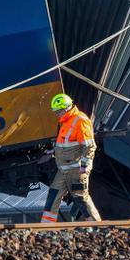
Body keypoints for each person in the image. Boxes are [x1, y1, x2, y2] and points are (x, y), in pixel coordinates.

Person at [40, 93, 101, 223]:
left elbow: (90, 146)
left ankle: (97, 225)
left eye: (58, 111)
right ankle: (45, 227)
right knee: (53, 195)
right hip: (64, 170)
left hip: (76, 169)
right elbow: (67, 144)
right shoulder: (66, 122)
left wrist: (84, 166)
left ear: (66, 108)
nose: (56, 114)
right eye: (55, 111)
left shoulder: (80, 121)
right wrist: (54, 150)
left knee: (80, 197)